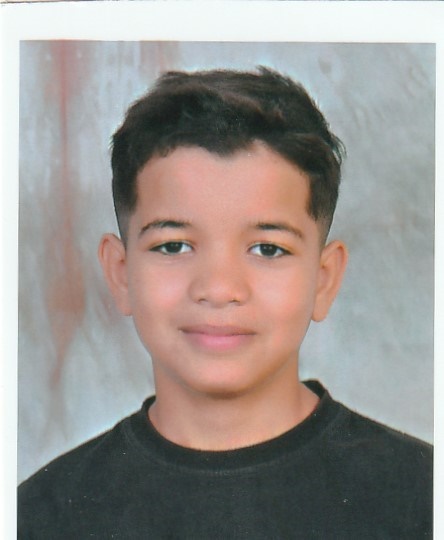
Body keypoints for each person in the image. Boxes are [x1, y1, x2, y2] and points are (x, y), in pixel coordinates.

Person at [18, 67, 432, 538]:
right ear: (121, 273)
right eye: (173, 246)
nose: (218, 288)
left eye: (268, 249)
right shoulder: (40, 516)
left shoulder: (420, 497)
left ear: (324, 280)